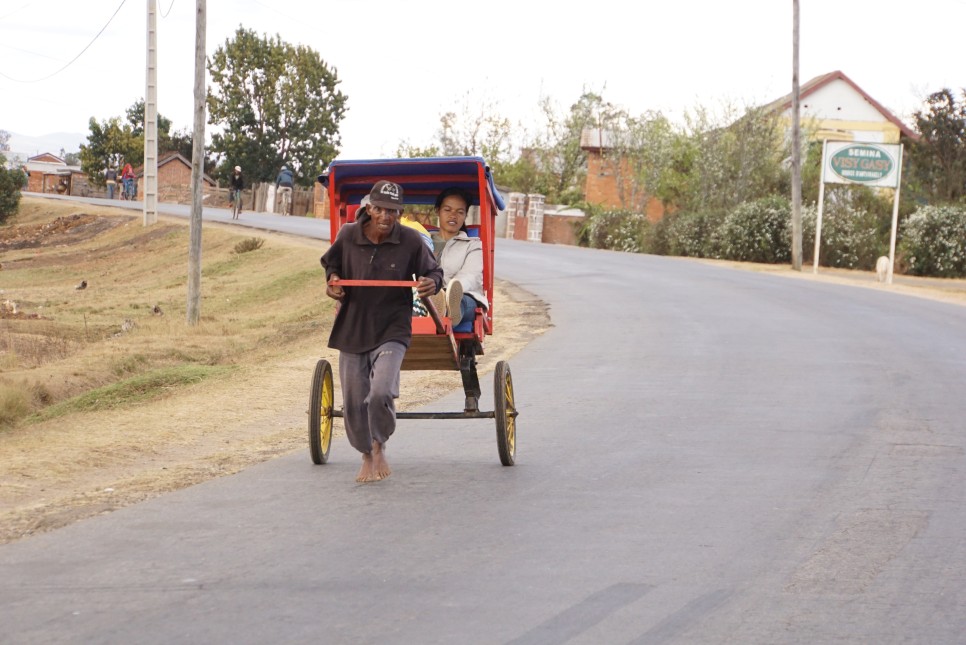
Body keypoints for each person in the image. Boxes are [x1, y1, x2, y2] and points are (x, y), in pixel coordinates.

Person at [320, 180, 443, 483]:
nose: (386, 217)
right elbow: (331, 265)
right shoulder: (348, 235)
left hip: (393, 326)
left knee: (381, 392)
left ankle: (379, 444)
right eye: (380, 210)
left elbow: (434, 272)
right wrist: (333, 280)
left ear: (400, 213)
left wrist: (432, 283)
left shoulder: (411, 241)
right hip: (353, 326)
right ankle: (364, 452)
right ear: (369, 209)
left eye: (393, 211)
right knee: (352, 401)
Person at [430, 187, 487, 327]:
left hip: (462, 295)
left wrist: (450, 290)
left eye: (459, 212)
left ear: (465, 215)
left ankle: (447, 309)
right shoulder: (423, 240)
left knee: (460, 301)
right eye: (447, 210)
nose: (453, 215)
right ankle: (436, 308)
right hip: (425, 294)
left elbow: (471, 275)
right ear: (438, 211)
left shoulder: (473, 245)